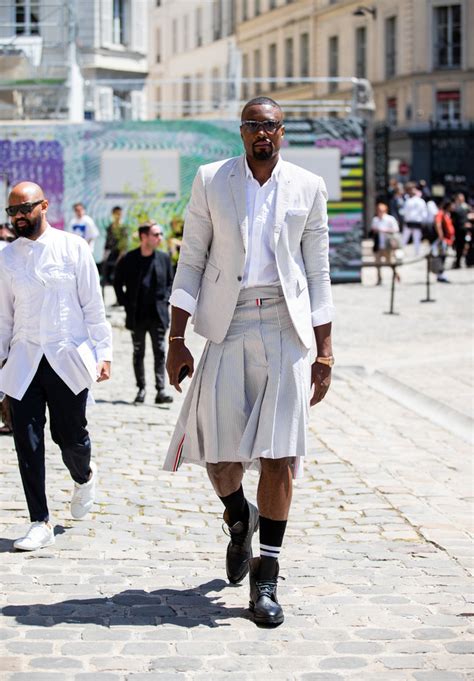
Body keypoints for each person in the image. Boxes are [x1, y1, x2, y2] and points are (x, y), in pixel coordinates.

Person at [164, 97, 335, 626]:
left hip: (286, 323)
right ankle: (240, 518)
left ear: (283, 133)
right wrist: (175, 336)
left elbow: (319, 271)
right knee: (220, 457)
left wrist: (325, 348)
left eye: (271, 126)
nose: (262, 133)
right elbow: (191, 258)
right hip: (228, 319)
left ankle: (268, 576)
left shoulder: (308, 187)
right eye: (253, 125)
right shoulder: (212, 179)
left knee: (280, 454)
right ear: (240, 132)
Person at [0, 182, 112, 551]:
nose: (17, 216)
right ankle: (39, 521)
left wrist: (104, 354)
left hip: (67, 359)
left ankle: (84, 475)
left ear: (44, 206)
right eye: (11, 211)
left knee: (71, 438)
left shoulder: (73, 248)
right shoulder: (6, 258)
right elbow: (3, 319)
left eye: (24, 209)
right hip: (24, 360)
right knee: (26, 443)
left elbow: (94, 307)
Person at [114, 222, 174, 405]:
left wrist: (165, 300)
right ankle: (141, 389)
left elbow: (171, 283)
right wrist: (126, 303)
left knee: (160, 352)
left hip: (158, 315)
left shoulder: (164, 258)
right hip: (137, 315)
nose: (160, 238)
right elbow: (117, 282)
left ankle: (161, 390)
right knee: (138, 353)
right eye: (156, 234)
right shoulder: (129, 259)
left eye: (160, 234)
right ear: (143, 237)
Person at [371, 202, 401, 285]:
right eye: (378, 210)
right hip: (378, 245)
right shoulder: (375, 219)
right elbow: (372, 230)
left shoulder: (390, 219)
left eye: (381, 210)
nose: (379, 212)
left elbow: (396, 230)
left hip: (388, 245)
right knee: (377, 263)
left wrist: (384, 230)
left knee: (390, 262)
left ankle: (396, 274)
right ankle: (379, 279)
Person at [103, 205, 128, 288]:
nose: (118, 216)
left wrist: (121, 256)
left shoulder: (123, 227)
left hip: (121, 254)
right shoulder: (110, 227)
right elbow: (107, 242)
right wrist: (105, 255)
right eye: (116, 214)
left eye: (119, 214)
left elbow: (124, 244)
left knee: (120, 277)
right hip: (112, 253)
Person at [401, 183, 428, 256]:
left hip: (411, 221)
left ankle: (402, 252)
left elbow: (405, 212)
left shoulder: (410, 201)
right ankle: (416, 253)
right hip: (414, 222)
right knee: (415, 239)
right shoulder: (419, 201)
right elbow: (424, 213)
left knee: (407, 238)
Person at [433, 199, 455, 283]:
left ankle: (441, 274)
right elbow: (437, 224)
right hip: (443, 239)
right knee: (441, 257)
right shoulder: (440, 213)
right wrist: (441, 235)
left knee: (444, 257)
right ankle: (440, 274)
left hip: (447, 239)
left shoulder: (447, 214)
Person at [451, 193, 470, 269]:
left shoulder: (465, 207)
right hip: (457, 229)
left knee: (463, 246)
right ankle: (458, 261)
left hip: (463, 229)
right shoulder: (456, 208)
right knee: (459, 246)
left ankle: (462, 261)